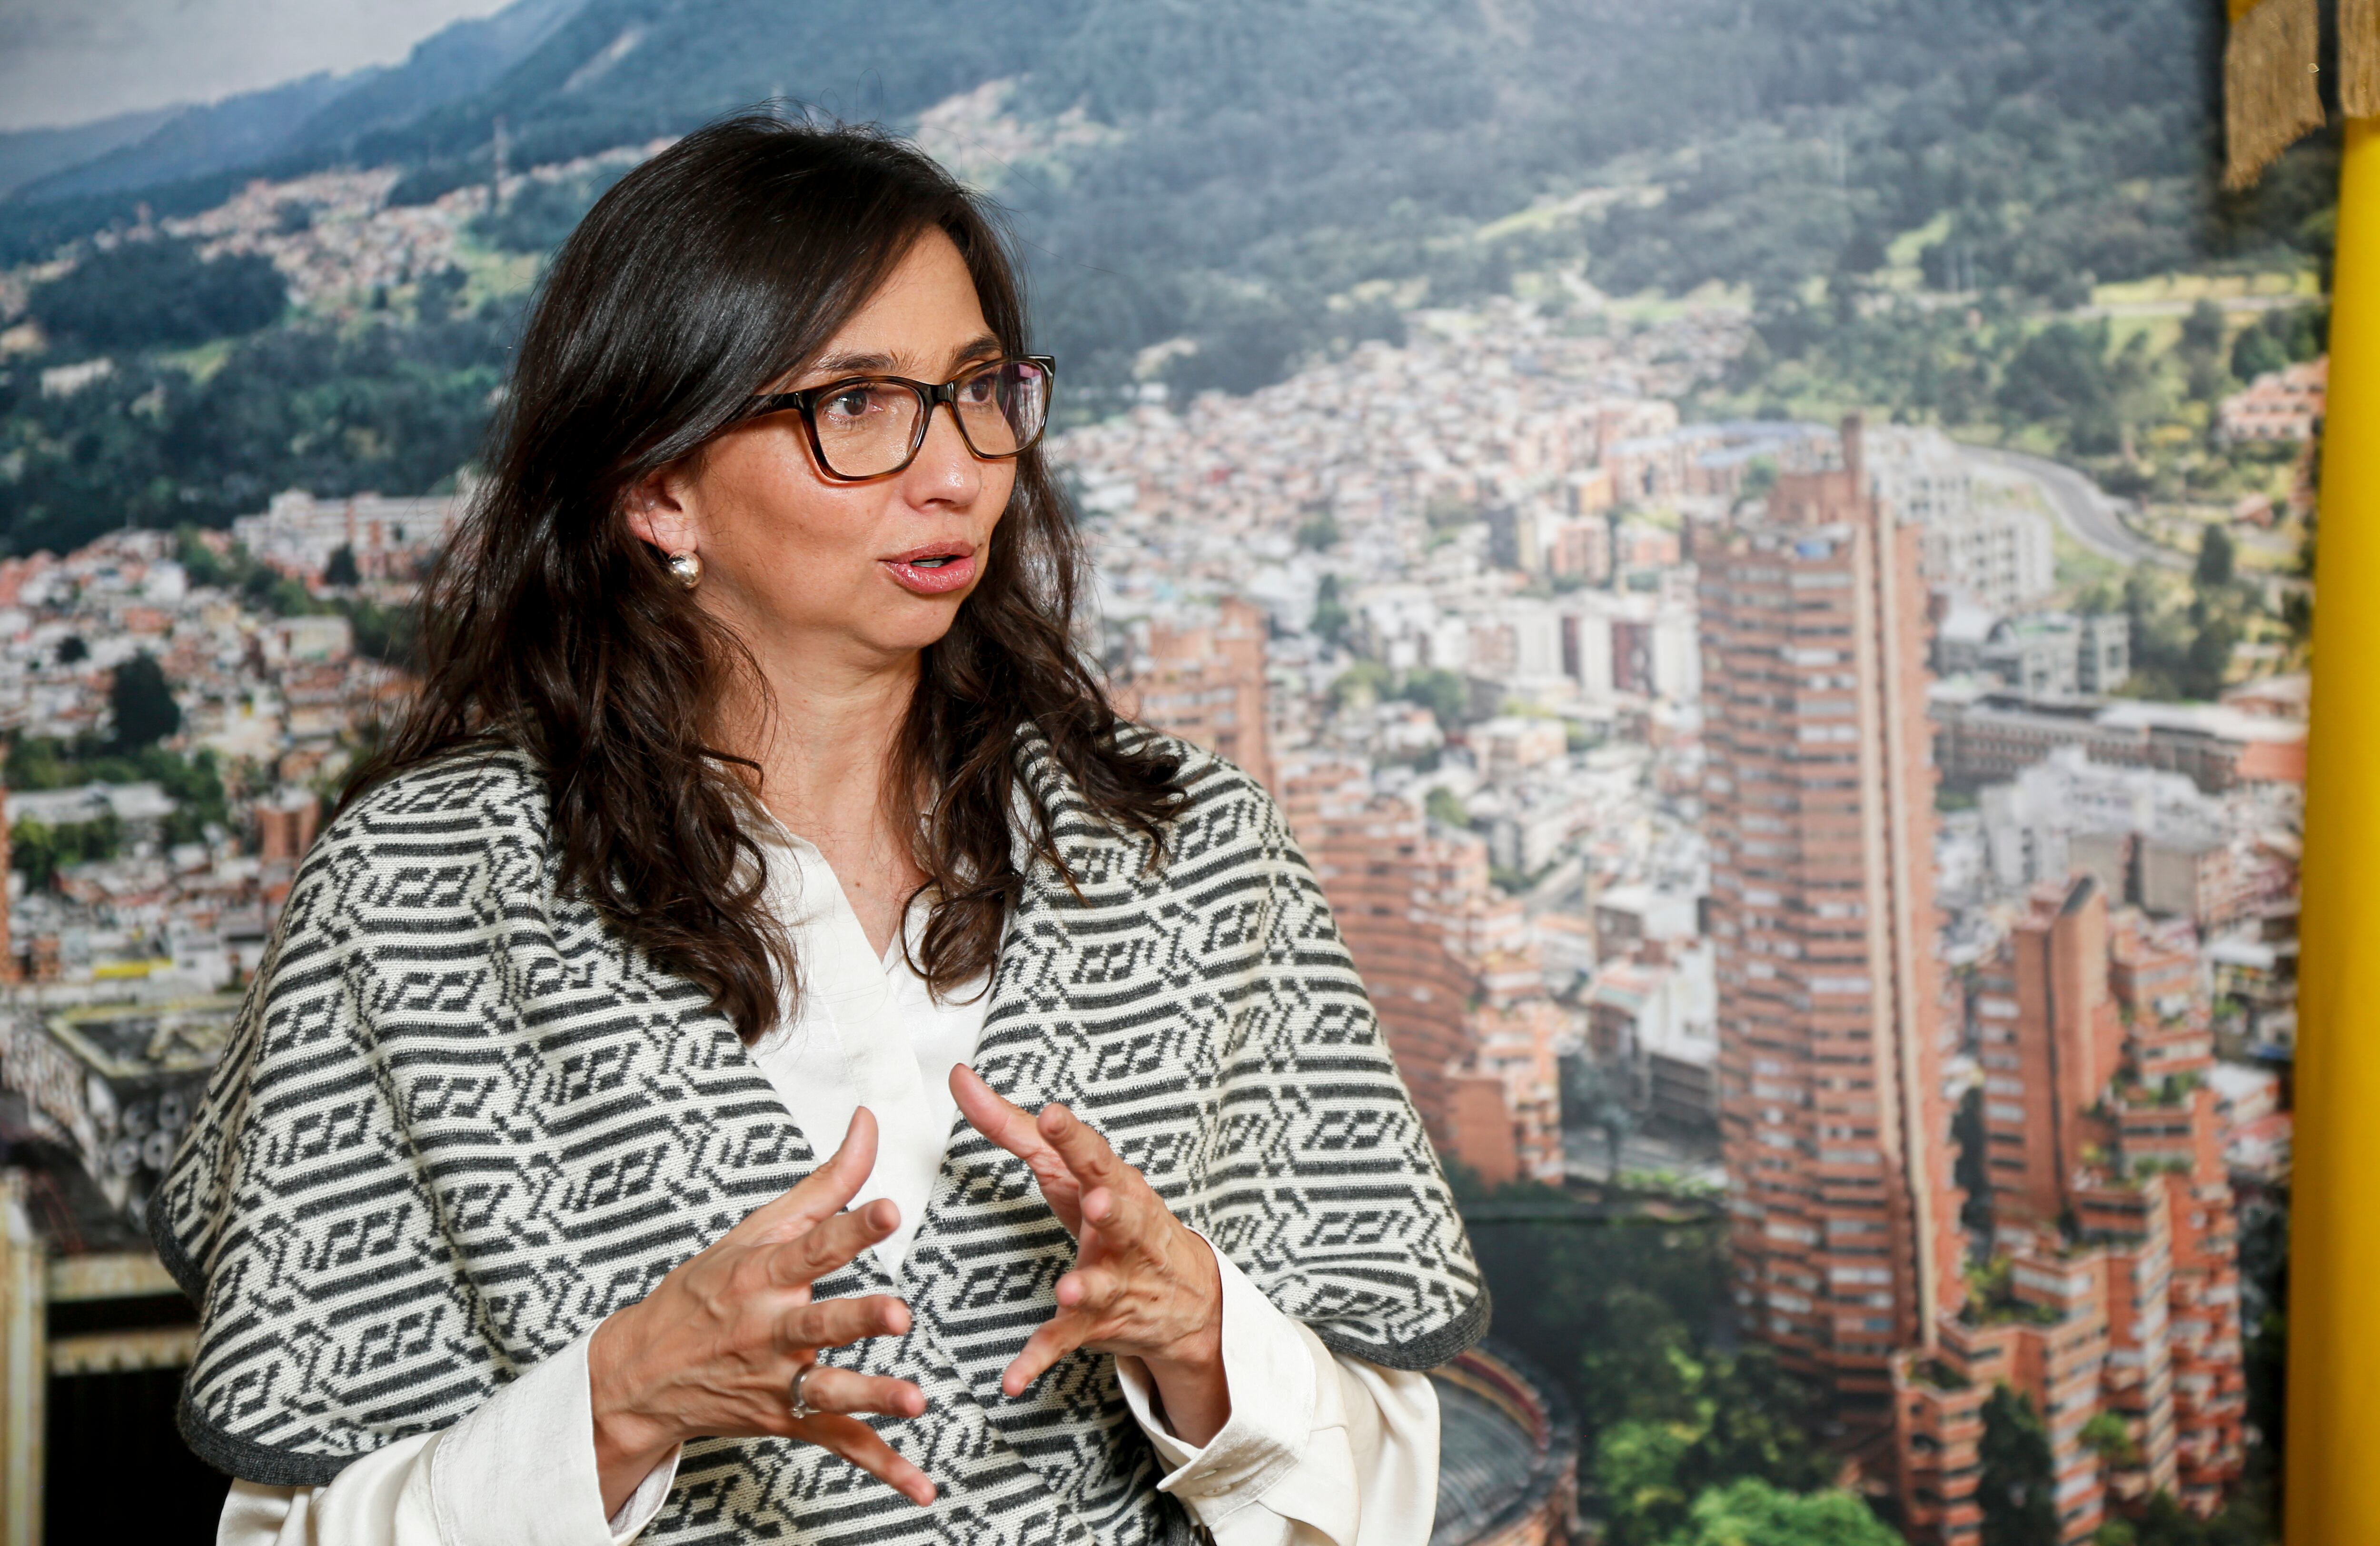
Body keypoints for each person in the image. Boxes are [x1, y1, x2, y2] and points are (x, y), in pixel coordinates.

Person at [155, 115, 1485, 1546]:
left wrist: (1200, 1330)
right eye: (855, 404)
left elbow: (1388, 1490)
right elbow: (281, 1532)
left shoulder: (1190, 852)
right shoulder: (416, 902)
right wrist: (620, 1406)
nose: (956, 470)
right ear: (658, 486)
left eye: (978, 391)